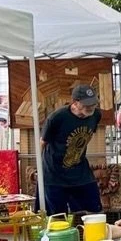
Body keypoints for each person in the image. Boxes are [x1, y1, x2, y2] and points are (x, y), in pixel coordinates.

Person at [41, 84, 104, 215]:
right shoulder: (57, 118)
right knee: (58, 216)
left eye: (93, 103)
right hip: (55, 173)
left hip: (80, 170)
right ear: (75, 102)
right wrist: (41, 170)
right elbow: (42, 143)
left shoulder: (95, 115)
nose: (91, 107)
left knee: (94, 209)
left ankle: (86, 233)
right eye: (87, 104)